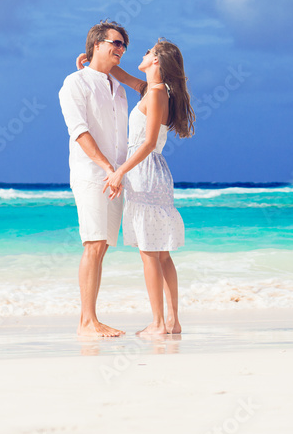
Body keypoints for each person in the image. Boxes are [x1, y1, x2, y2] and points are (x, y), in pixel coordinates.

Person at [80, 38, 195, 336]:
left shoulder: (156, 93)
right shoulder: (153, 90)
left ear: (156, 61)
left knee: (150, 252)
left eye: (148, 52)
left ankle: (158, 322)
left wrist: (119, 172)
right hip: (151, 172)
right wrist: (92, 63)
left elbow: (146, 143)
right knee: (161, 252)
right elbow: (120, 74)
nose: (141, 55)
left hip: (144, 171)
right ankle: (171, 321)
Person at [59, 21, 130, 337]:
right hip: (92, 174)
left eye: (124, 45)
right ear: (96, 44)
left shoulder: (119, 88)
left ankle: (91, 318)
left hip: (115, 176)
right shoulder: (75, 83)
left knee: (102, 246)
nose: (121, 49)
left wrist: (120, 172)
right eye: (115, 42)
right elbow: (79, 132)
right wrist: (106, 168)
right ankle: (86, 321)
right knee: (93, 242)